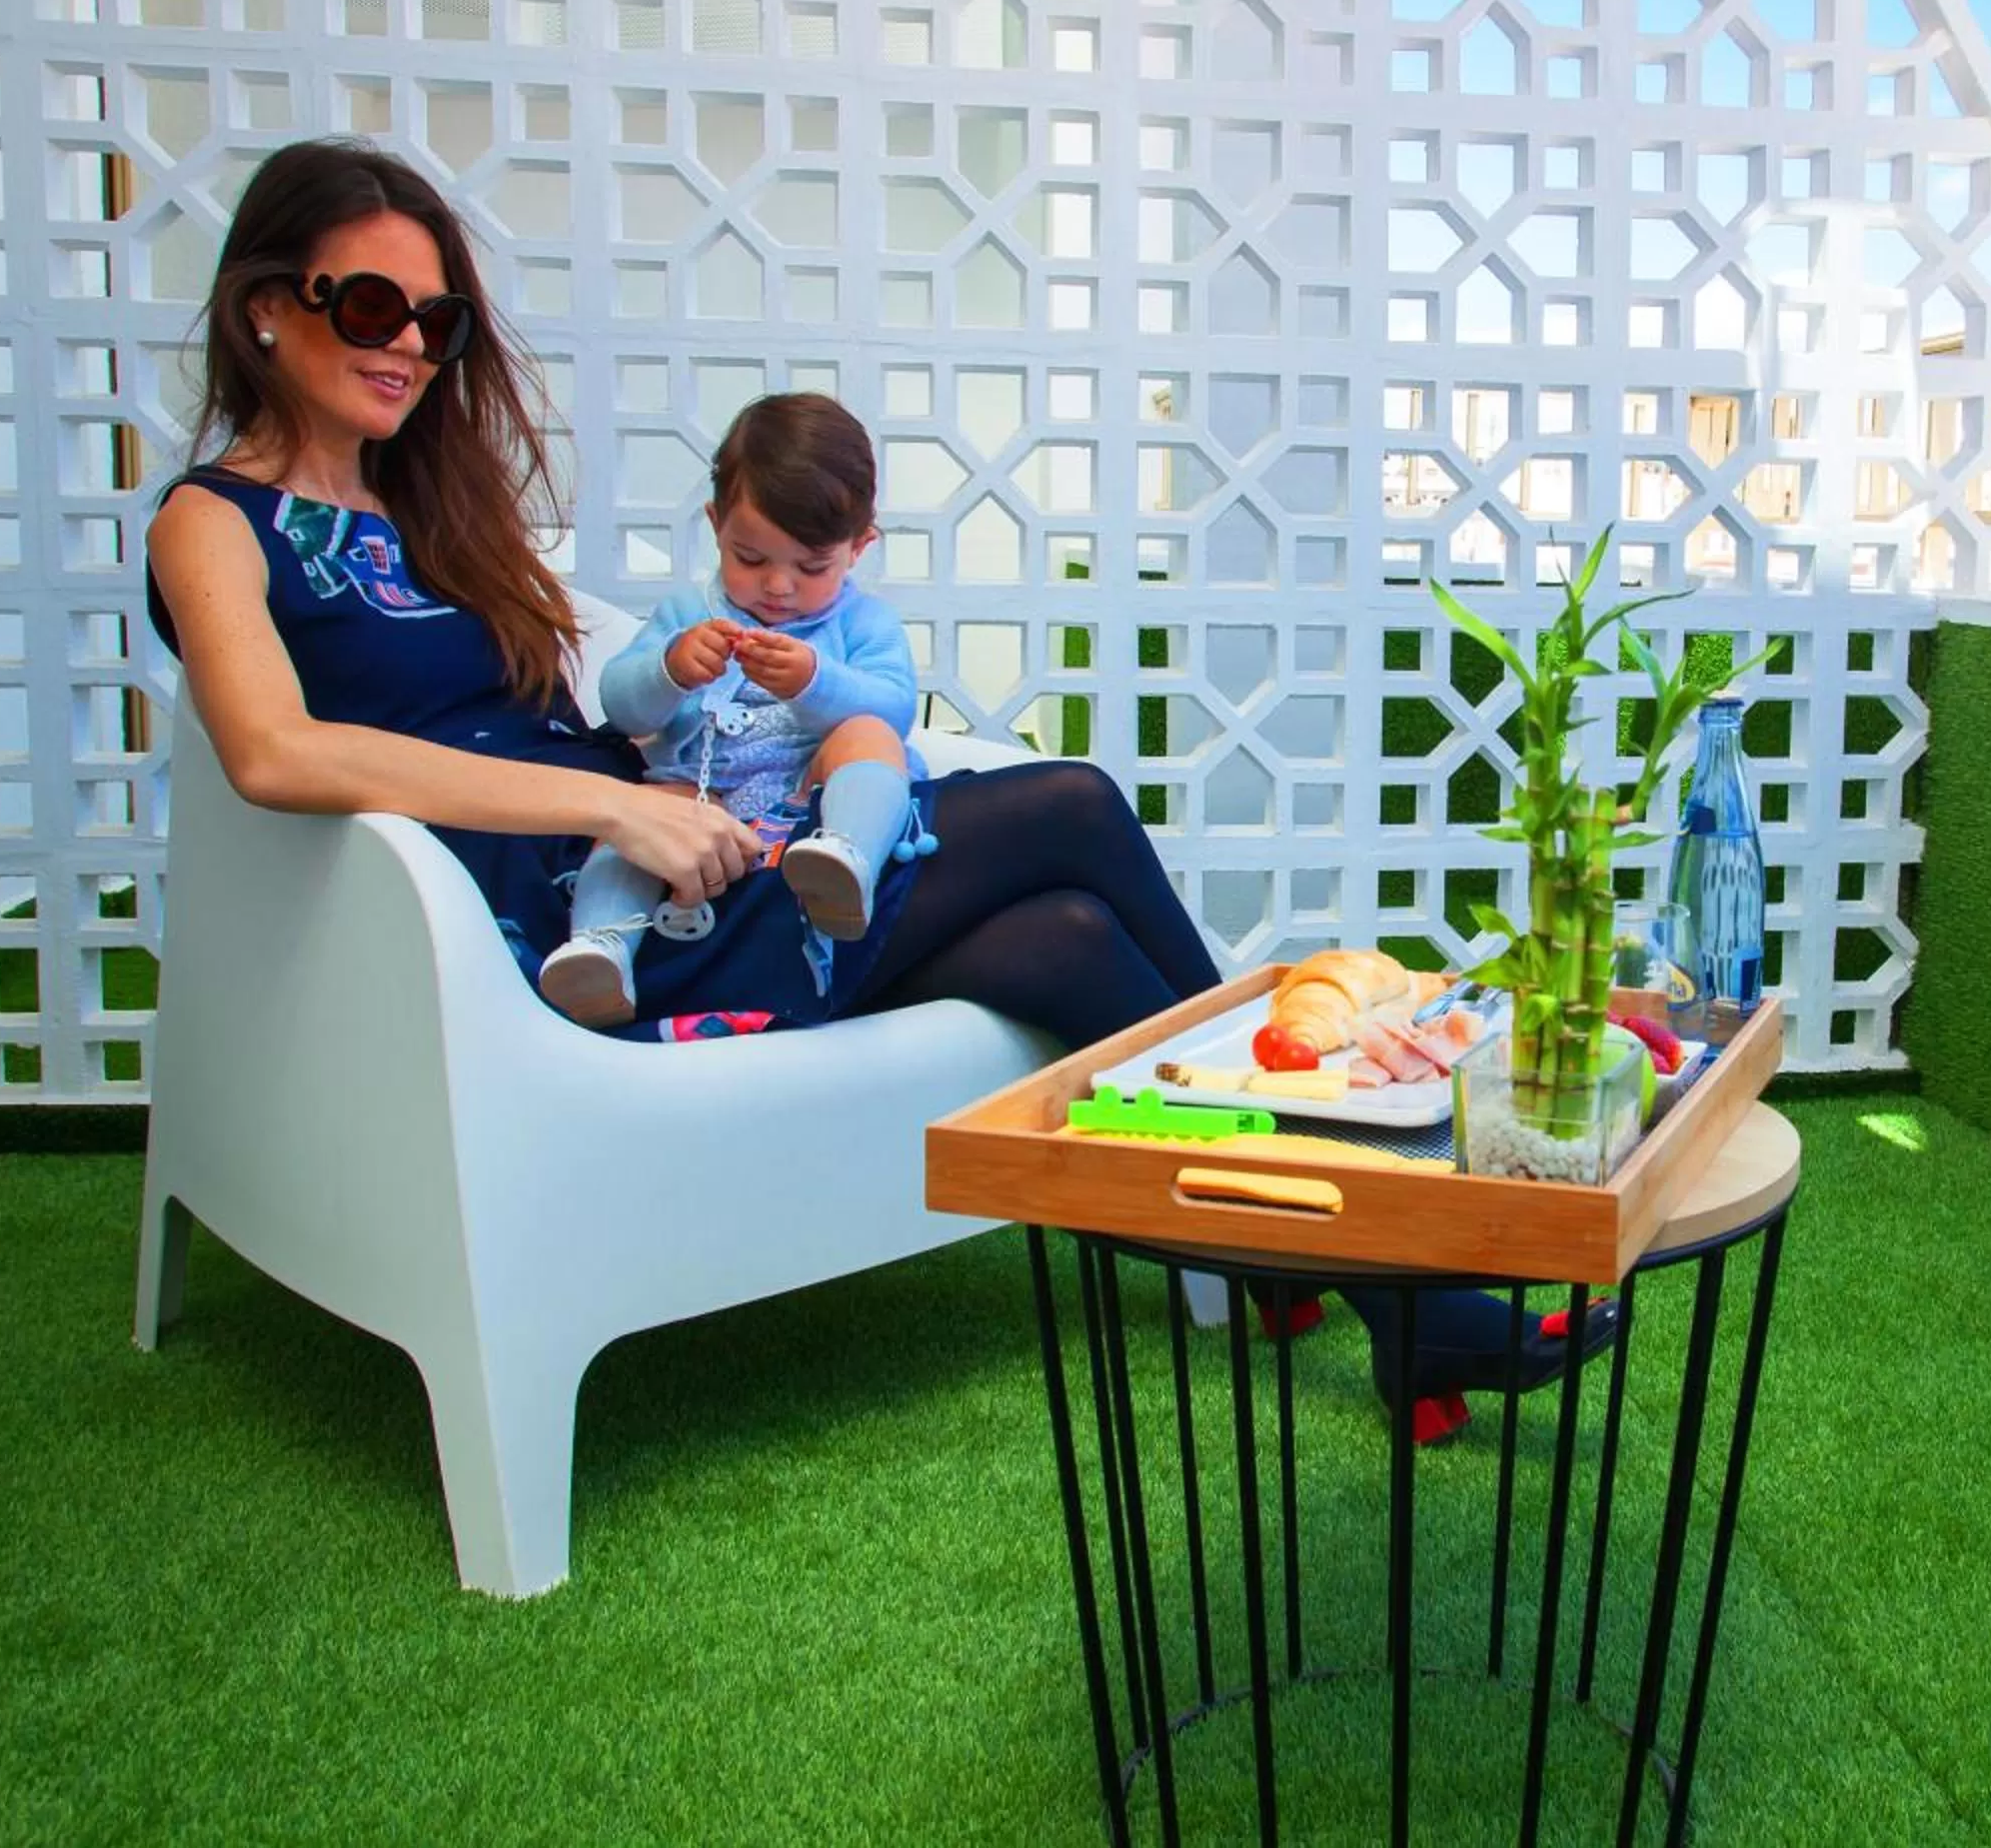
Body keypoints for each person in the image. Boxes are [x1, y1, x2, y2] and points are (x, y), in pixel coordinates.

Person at [143, 134, 1592, 1431]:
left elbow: (604, 688)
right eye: (369, 305)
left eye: (435, 318)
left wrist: (674, 757)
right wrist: (617, 807)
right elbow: (273, 752)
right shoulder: (215, 521)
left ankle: (1345, 1272)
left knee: (1073, 944)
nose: (409, 344)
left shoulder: (425, 511)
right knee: (1073, 802)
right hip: (590, 926)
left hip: (696, 849)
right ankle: (1394, 1270)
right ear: (268, 303)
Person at [539, 394, 921, 1028]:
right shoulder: (691, 610)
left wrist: (815, 679)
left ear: (859, 547)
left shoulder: (863, 622)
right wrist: (671, 667)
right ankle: (601, 949)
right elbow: (621, 706)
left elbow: (896, 707)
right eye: (751, 558)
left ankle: (847, 860)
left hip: (811, 801)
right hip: (701, 801)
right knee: (645, 813)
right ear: (716, 524)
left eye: (811, 566)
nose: (778, 586)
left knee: (867, 732)